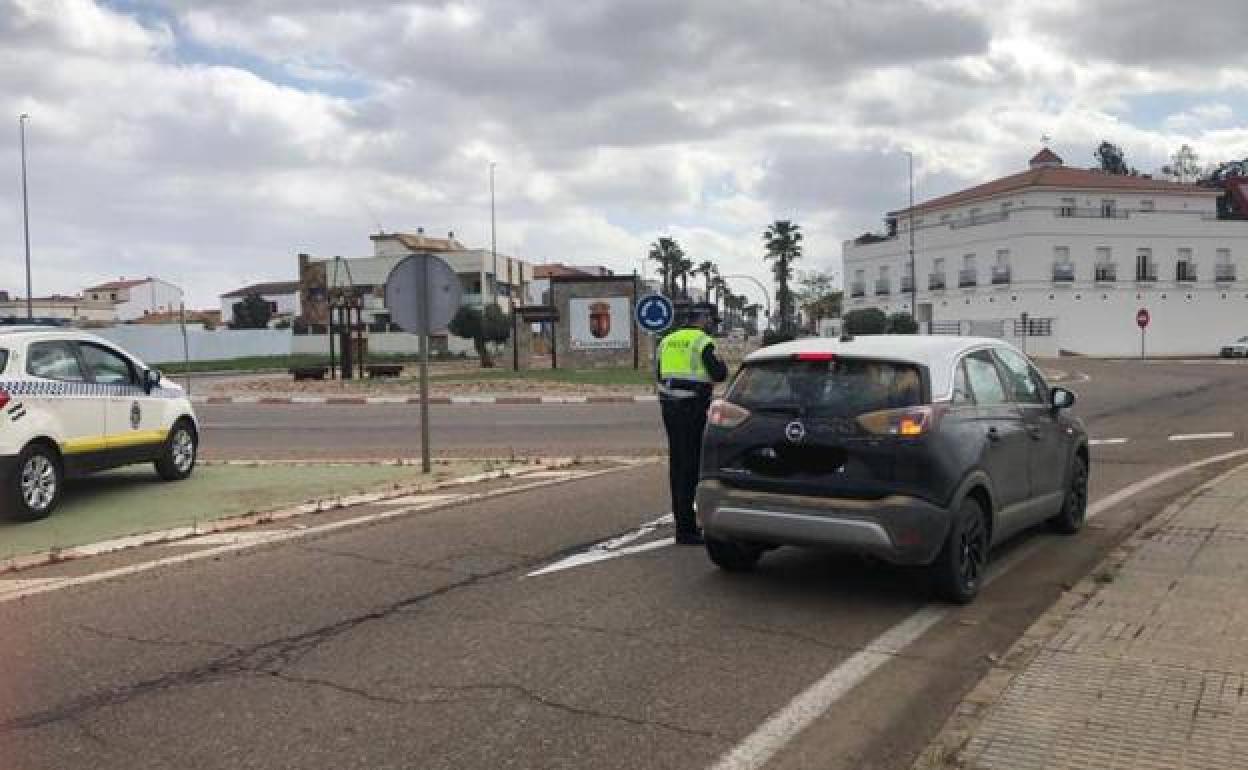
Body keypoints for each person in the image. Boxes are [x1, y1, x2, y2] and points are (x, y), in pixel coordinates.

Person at [656, 306, 728, 545]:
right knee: (691, 468)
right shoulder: (702, 341)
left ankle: (682, 522)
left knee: (678, 467)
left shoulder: (667, 340)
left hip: (669, 407)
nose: (713, 326)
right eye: (712, 321)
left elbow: (658, 373)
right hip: (692, 408)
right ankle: (686, 530)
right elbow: (718, 374)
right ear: (703, 319)